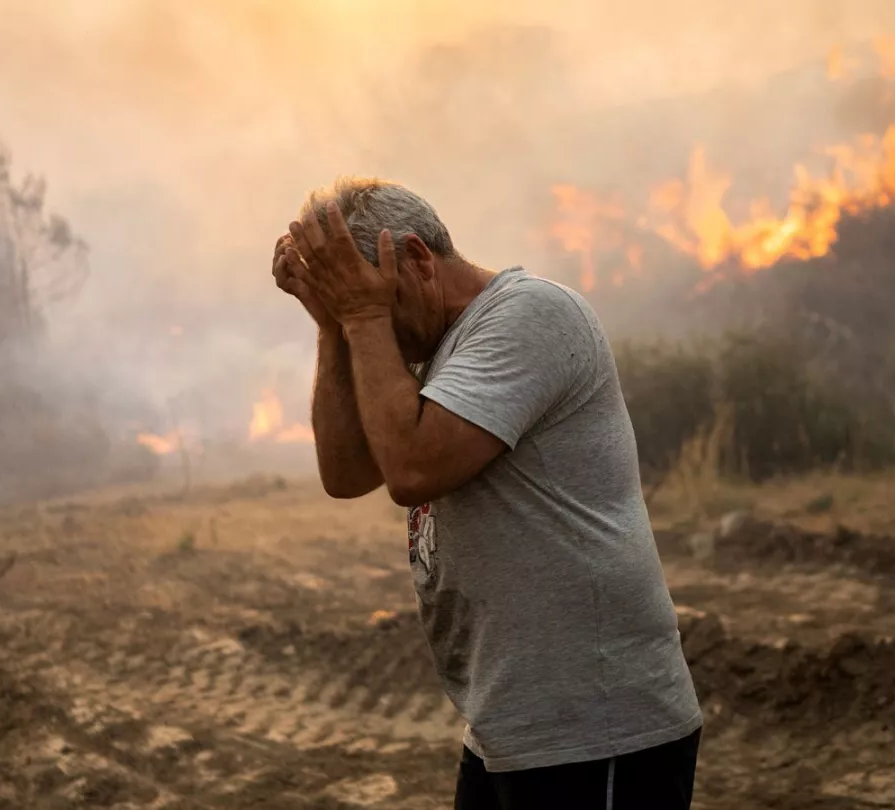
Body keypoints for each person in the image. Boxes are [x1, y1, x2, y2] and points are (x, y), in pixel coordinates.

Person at [271, 177, 702, 810]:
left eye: (375, 305)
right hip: (512, 721)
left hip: (597, 726)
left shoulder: (531, 316)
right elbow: (346, 473)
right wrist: (335, 324)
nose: (378, 336)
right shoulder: (434, 346)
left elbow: (413, 471)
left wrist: (362, 319)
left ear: (417, 260)